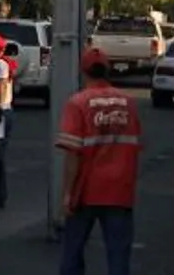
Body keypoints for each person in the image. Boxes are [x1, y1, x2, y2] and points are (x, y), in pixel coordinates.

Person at [56, 46, 143, 275]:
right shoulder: (129, 103)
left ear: (84, 71)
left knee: (72, 255)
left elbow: (73, 153)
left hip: (85, 191)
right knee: (118, 259)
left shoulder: (78, 103)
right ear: (108, 70)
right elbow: (136, 144)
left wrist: (67, 194)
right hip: (120, 192)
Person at [0, 35, 16, 210]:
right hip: (0, 113)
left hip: (1, 113)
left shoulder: (1, 65)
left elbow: (0, 90)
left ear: (0, 50)